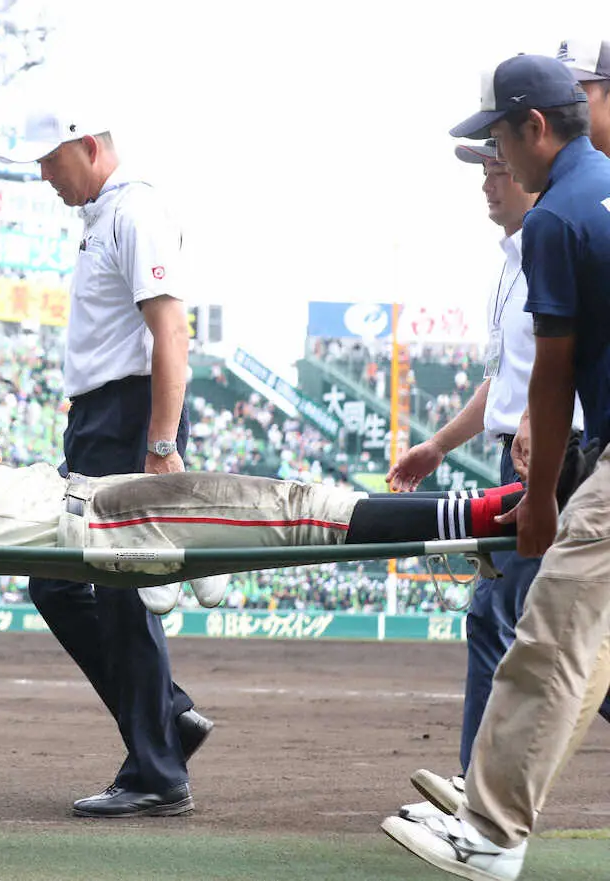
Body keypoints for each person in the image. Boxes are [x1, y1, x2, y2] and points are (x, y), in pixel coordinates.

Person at [382, 54, 610, 881]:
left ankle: (489, 831)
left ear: (536, 128)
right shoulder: (602, 191)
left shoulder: (556, 219)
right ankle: (487, 808)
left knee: (548, 635)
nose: (495, 162)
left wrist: (544, 493)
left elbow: (553, 376)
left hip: (593, 460)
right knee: (568, 641)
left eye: (499, 141)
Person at [0, 104, 210, 818]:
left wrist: (159, 443)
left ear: (87, 146)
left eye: (51, 162)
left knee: (114, 589)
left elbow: (170, 330)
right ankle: (166, 719)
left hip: (126, 417)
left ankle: (157, 767)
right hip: (97, 418)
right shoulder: (103, 216)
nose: (45, 177)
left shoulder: (134, 211)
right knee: (59, 583)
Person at [0, 427, 536, 583]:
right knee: (303, 510)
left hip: (95, 505)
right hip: (104, 518)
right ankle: (486, 514)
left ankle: (484, 514)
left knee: (296, 507)